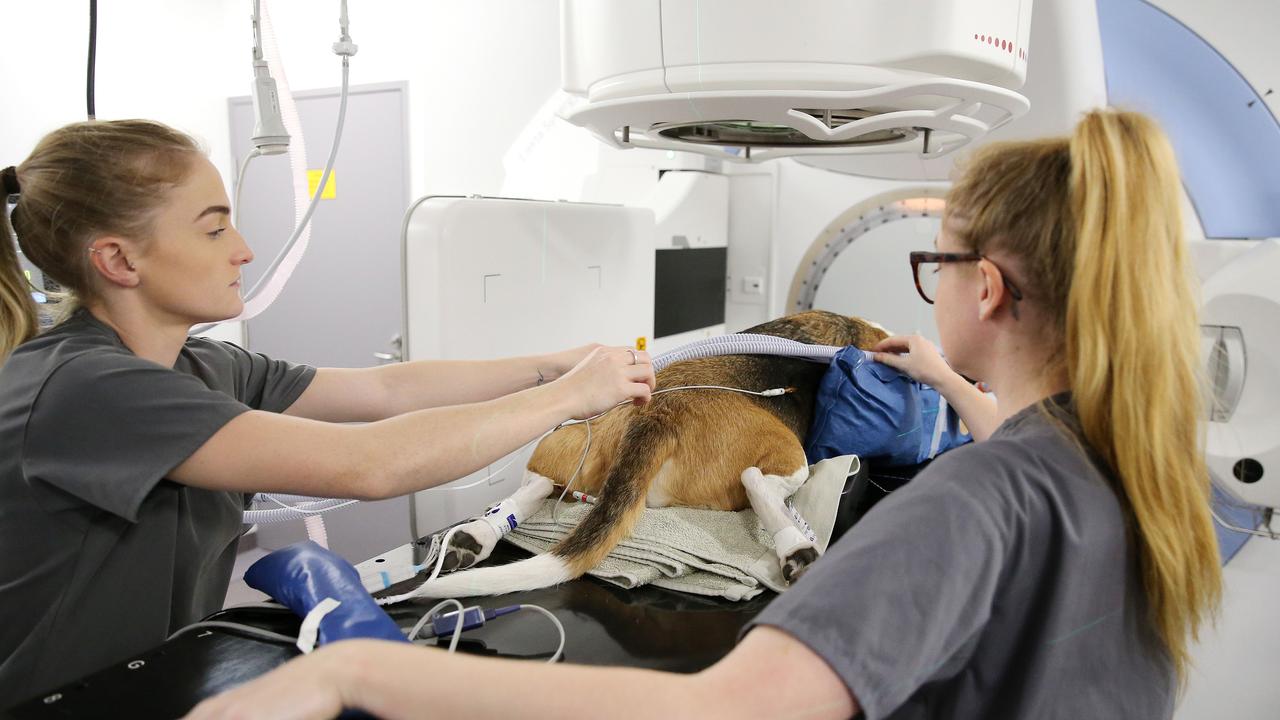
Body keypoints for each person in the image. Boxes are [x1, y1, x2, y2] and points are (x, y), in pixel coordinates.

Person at [184, 108, 1224, 720]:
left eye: (935, 263)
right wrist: (955, 389)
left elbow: (723, 711)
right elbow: (1006, 455)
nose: (930, 285)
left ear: (986, 289)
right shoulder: (1117, 459)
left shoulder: (966, 502)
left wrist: (355, 669)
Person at [0, 119, 656, 705]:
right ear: (118, 259)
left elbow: (385, 393)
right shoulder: (84, 387)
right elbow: (367, 466)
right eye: (214, 226)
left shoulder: (201, 365)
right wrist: (568, 397)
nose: (243, 249)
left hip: (156, 675)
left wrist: (554, 364)